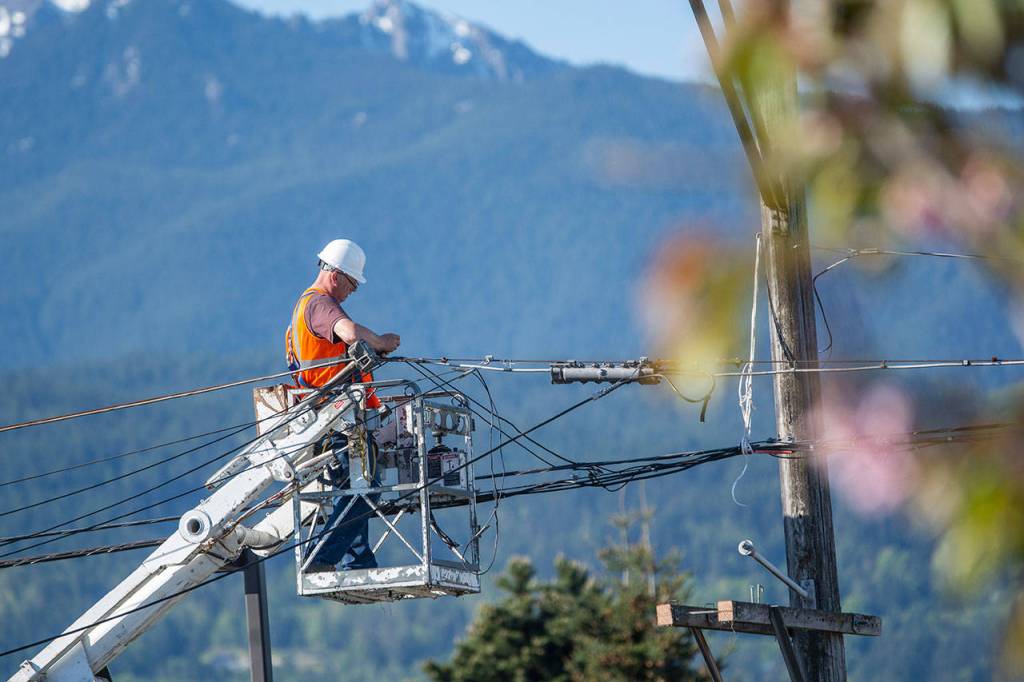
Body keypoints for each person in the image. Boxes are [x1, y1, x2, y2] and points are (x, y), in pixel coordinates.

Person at [285, 238, 400, 572]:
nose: (352, 292)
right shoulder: (319, 305)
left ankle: (359, 560)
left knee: (354, 487)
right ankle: (322, 558)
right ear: (336, 275)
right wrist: (381, 341)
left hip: (329, 414)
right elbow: (349, 332)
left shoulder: (304, 308)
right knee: (366, 488)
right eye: (352, 284)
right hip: (334, 416)